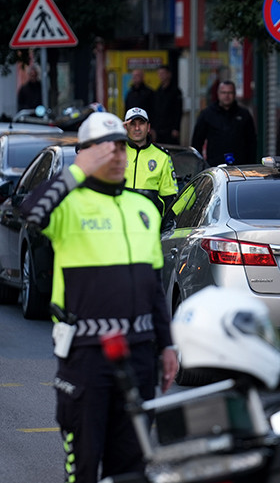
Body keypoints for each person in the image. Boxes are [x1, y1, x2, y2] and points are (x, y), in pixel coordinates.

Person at [21, 112, 179, 482]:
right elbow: (31, 210)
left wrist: (167, 346)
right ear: (86, 154)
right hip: (87, 354)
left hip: (140, 352)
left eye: (122, 146)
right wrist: (78, 170)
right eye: (107, 147)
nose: (118, 154)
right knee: (85, 466)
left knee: (133, 468)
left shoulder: (143, 209)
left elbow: (154, 286)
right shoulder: (68, 204)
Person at [123, 107, 178, 215]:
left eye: (141, 123)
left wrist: (166, 224)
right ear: (125, 127)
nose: (137, 128)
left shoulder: (162, 156)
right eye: (133, 124)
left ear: (148, 127)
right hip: (120, 220)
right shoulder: (115, 152)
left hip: (150, 221)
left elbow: (170, 197)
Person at [191, 80, 257, 166]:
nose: (227, 96)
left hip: (240, 166)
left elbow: (252, 142)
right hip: (215, 166)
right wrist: (200, 165)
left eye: (230, 93)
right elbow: (197, 141)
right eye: (223, 92)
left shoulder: (244, 114)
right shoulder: (207, 114)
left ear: (234, 94)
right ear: (218, 94)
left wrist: (251, 165)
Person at [151, 65, 182, 145]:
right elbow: (154, 110)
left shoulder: (175, 92)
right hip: (159, 128)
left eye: (163, 73)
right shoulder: (158, 92)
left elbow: (178, 111)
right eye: (159, 74)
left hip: (170, 128)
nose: (161, 76)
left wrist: (176, 128)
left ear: (169, 74)